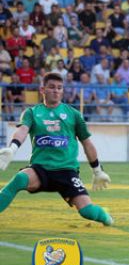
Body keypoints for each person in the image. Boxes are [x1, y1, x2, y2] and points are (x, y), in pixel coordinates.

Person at [0, 72, 113, 225]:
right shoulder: (32, 113)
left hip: (66, 170)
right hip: (40, 169)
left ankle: (107, 217)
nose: (56, 91)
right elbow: (22, 130)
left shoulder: (73, 114)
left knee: (87, 211)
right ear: (42, 90)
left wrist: (98, 170)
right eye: (52, 87)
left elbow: (87, 143)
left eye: (59, 88)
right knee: (20, 178)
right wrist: (12, 148)